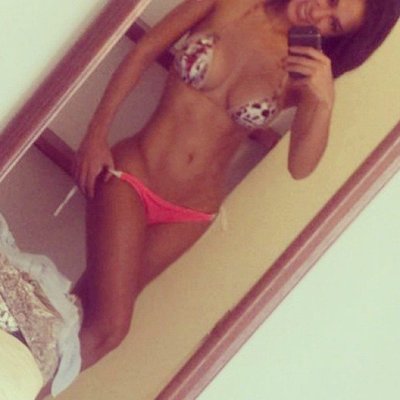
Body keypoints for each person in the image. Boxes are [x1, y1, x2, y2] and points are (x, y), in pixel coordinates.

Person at [73, 0, 399, 373]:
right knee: (109, 328)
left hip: (189, 215)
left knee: (83, 308)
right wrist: (96, 133)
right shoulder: (230, 4)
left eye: (334, 25)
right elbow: (145, 50)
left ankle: (25, 372)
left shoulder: (302, 74)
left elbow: (300, 167)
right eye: (331, 1)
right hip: (134, 173)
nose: (319, 14)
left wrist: (322, 100)